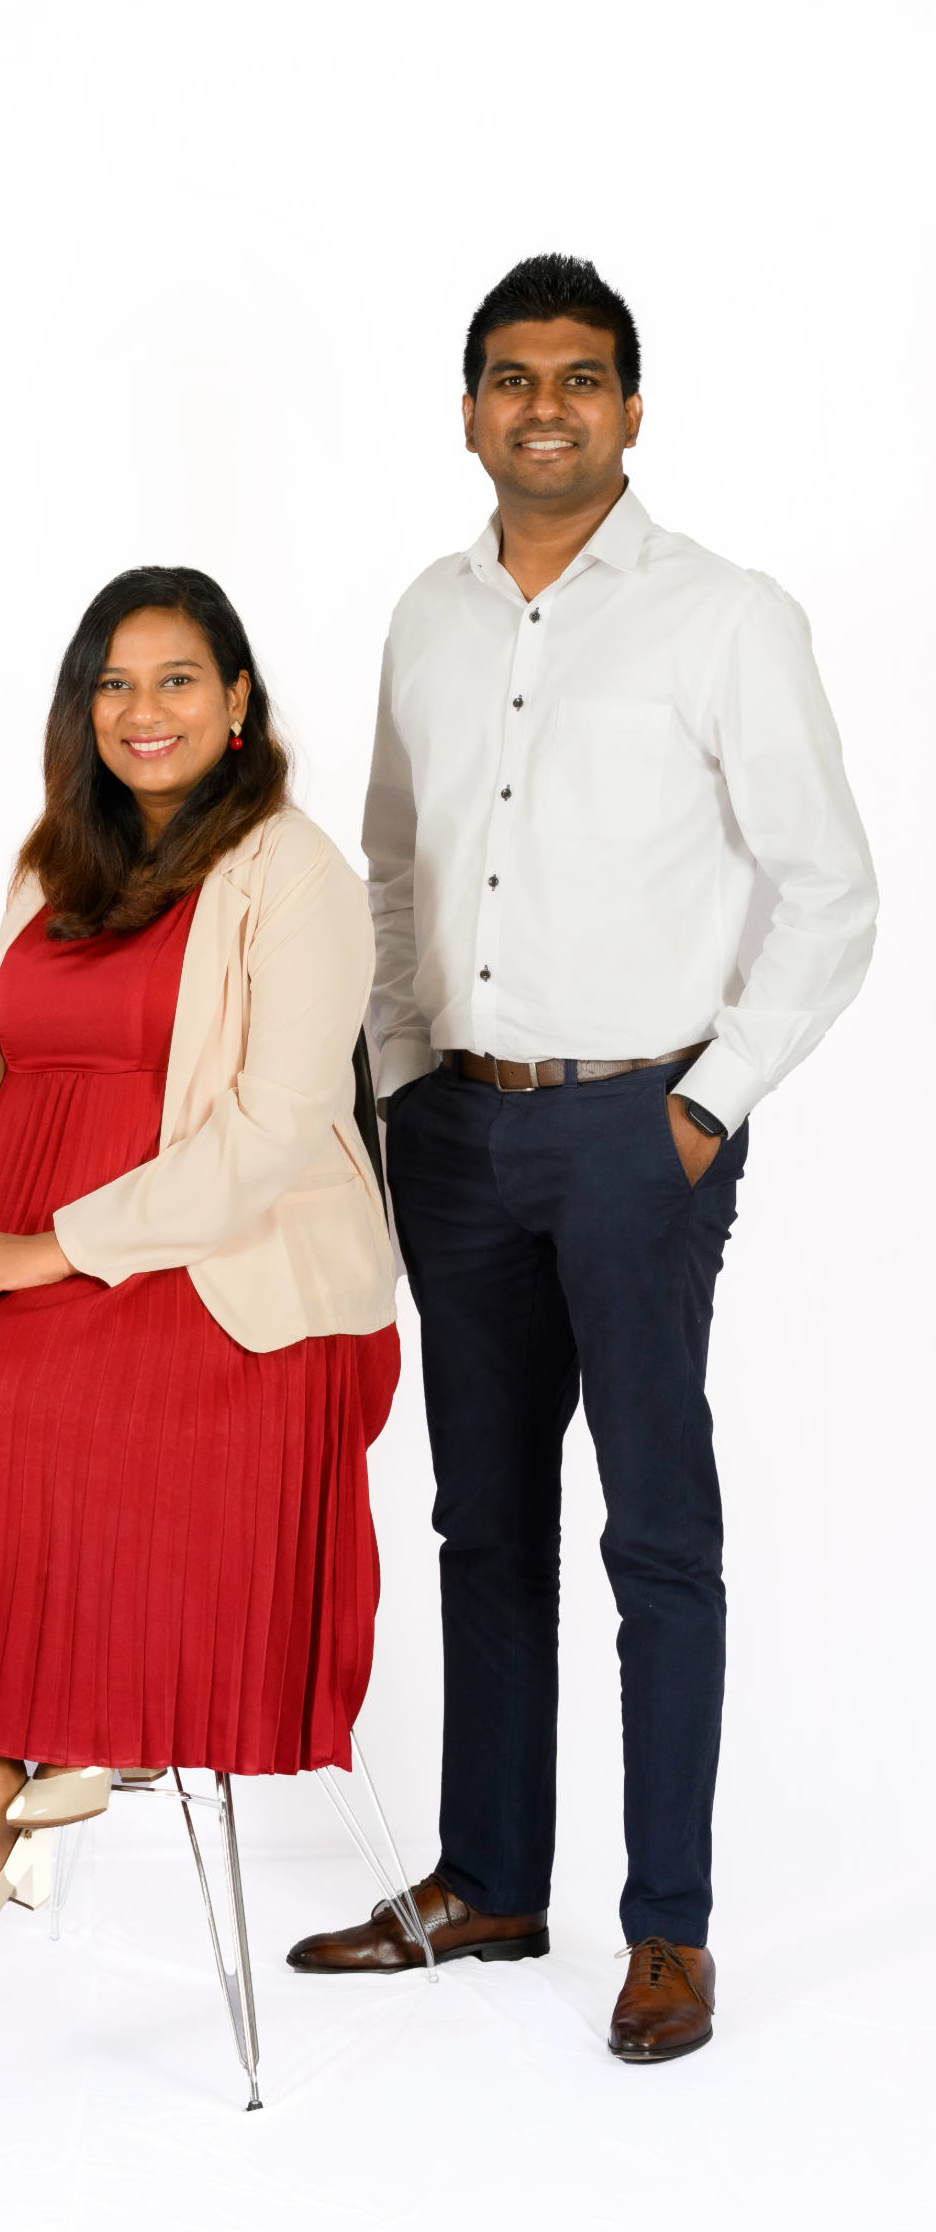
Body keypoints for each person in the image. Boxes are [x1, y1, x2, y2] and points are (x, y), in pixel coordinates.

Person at [285, 255, 877, 2062]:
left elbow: (833, 892)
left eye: (585, 377)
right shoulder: (427, 614)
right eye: (514, 376)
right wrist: (396, 1079)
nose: (548, 404)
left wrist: (708, 1103)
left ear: (632, 408)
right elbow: (389, 867)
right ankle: (492, 1877)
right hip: (455, 1126)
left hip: (642, 1126)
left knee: (658, 1530)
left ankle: (669, 1929)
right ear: (468, 409)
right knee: (481, 1520)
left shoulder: (727, 615)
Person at [0, 566, 399, 1989]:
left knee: (27, 1391)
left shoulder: (297, 874)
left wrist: (37, 1252)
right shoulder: (56, 865)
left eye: (176, 680)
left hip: (218, 1270)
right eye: (114, 682)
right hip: (21, 1244)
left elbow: (268, 1135)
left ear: (237, 704)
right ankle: (42, 1722)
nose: (142, 709)